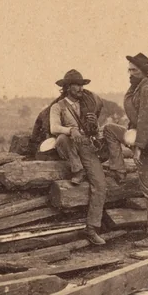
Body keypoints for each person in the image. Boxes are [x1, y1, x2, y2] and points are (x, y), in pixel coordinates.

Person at [104, 52, 148, 247]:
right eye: (129, 70)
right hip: (137, 134)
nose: (130, 73)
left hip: (146, 141)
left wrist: (139, 148)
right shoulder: (138, 87)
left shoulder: (147, 89)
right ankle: (118, 169)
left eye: (134, 70)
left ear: (143, 72)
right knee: (109, 129)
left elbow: (147, 120)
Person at [44, 70, 107, 245]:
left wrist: (94, 126)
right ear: (67, 87)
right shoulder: (58, 107)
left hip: (86, 146)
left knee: (100, 184)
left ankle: (92, 228)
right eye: (76, 85)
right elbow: (54, 127)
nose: (80, 88)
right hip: (68, 146)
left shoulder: (87, 105)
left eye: (81, 85)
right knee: (62, 138)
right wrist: (70, 130)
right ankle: (76, 168)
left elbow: (94, 131)